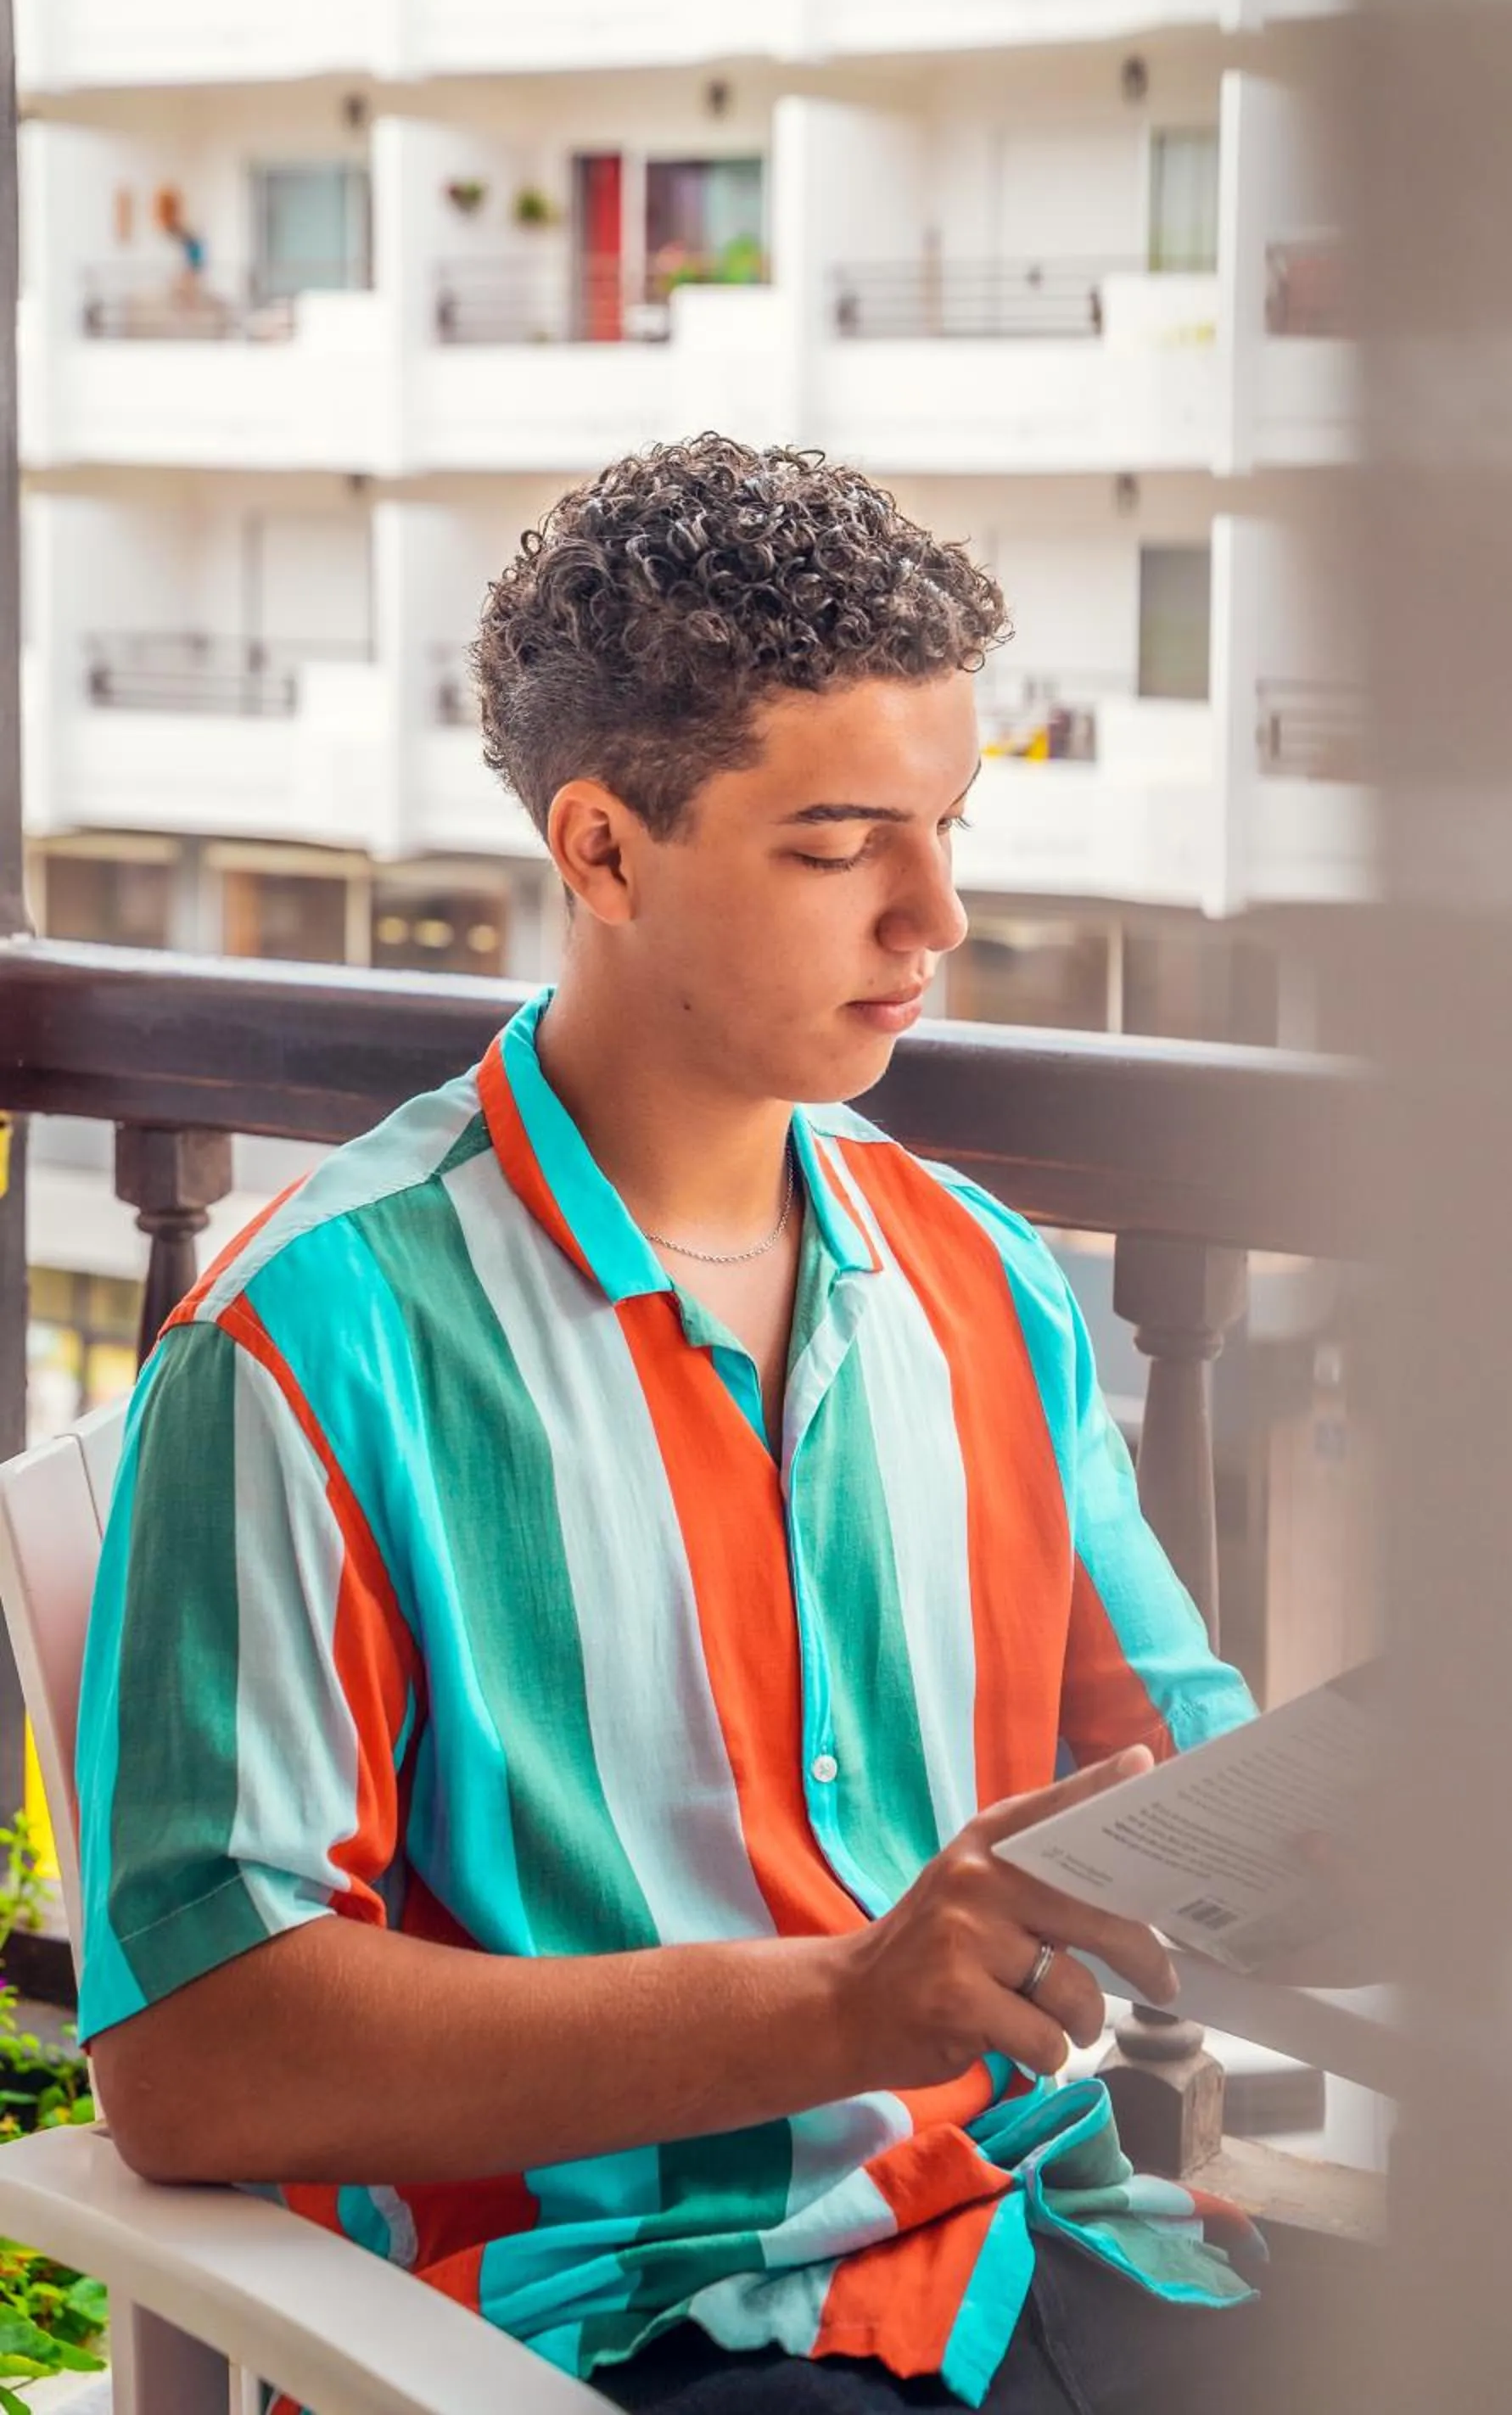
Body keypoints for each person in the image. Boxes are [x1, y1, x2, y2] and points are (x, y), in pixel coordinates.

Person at [76, 436, 1313, 2413]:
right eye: (839, 846)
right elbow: (196, 2056)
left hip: (1027, 2248)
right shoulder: (311, 1350)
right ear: (604, 850)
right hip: (596, 2334)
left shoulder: (990, 1287)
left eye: (949, 827)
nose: (936, 918)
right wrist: (845, 2005)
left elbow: (1190, 1770)